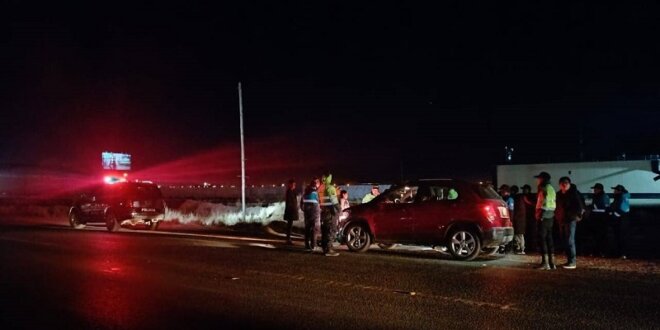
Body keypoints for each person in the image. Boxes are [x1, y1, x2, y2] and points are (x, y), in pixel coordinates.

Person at [555, 177, 585, 269]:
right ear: (559, 184)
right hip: (562, 219)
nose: (564, 185)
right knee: (565, 239)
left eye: (566, 183)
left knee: (570, 240)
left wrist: (576, 216)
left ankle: (572, 262)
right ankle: (569, 260)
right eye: (562, 183)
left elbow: (580, 206)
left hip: (570, 219)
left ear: (569, 184)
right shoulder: (559, 194)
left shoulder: (574, 194)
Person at [534, 172, 557, 270]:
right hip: (550, 216)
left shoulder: (544, 188)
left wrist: (541, 215)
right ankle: (552, 263)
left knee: (542, 239)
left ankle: (545, 263)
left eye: (539, 178)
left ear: (543, 179)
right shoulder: (551, 188)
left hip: (544, 216)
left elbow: (545, 203)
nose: (537, 180)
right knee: (549, 238)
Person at [319, 172, 341, 257]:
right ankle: (328, 250)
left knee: (325, 231)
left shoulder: (320, 187)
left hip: (323, 212)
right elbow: (334, 201)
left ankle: (325, 248)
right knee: (331, 230)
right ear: (329, 178)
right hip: (330, 212)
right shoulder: (330, 187)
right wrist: (339, 210)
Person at [609, 185, 631, 259]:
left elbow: (623, 209)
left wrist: (614, 215)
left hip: (621, 221)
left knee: (621, 237)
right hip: (620, 220)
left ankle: (623, 254)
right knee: (618, 237)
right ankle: (620, 253)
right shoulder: (620, 197)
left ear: (619, 191)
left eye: (615, 190)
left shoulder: (622, 198)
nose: (614, 192)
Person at [589, 183, 610, 257]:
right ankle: (596, 251)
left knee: (601, 235)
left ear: (599, 189)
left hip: (601, 218)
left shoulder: (604, 196)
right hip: (596, 218)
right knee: (595, 235)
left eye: (595, 189)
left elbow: (605, 208)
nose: (594, 190)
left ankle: (601, 251)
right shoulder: (597, 196)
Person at [301, 178, 321, 252]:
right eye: (318, 183)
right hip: (315, 213)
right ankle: (314, 246)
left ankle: (307, 245)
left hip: (307, 213)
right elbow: (319, 203)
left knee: (307, 229)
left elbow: (301, 204)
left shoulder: (305, 192)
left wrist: (305, 210)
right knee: (314, 229)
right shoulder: (316, 192)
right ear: (316, 184)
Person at [512, 185, 532, 254]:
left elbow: (519, 210)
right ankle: (521, 248)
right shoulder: (521, 197)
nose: (523, 191)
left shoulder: (519, 198)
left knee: (519, 234)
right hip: (522, 219)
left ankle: (521, 248)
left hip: (520, 220)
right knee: (520, 234)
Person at [283, 179, 299, 245]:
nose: (294, 185)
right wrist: (293, 209)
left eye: (294, 184)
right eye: (293, 184)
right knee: (289, 225)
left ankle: (288, 238)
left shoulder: (293, 191)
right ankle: (288, 239)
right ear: (290, 185)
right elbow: (289, 203)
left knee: (290, 225)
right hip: (290, 211)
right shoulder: (289, 192)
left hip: (292, 211)